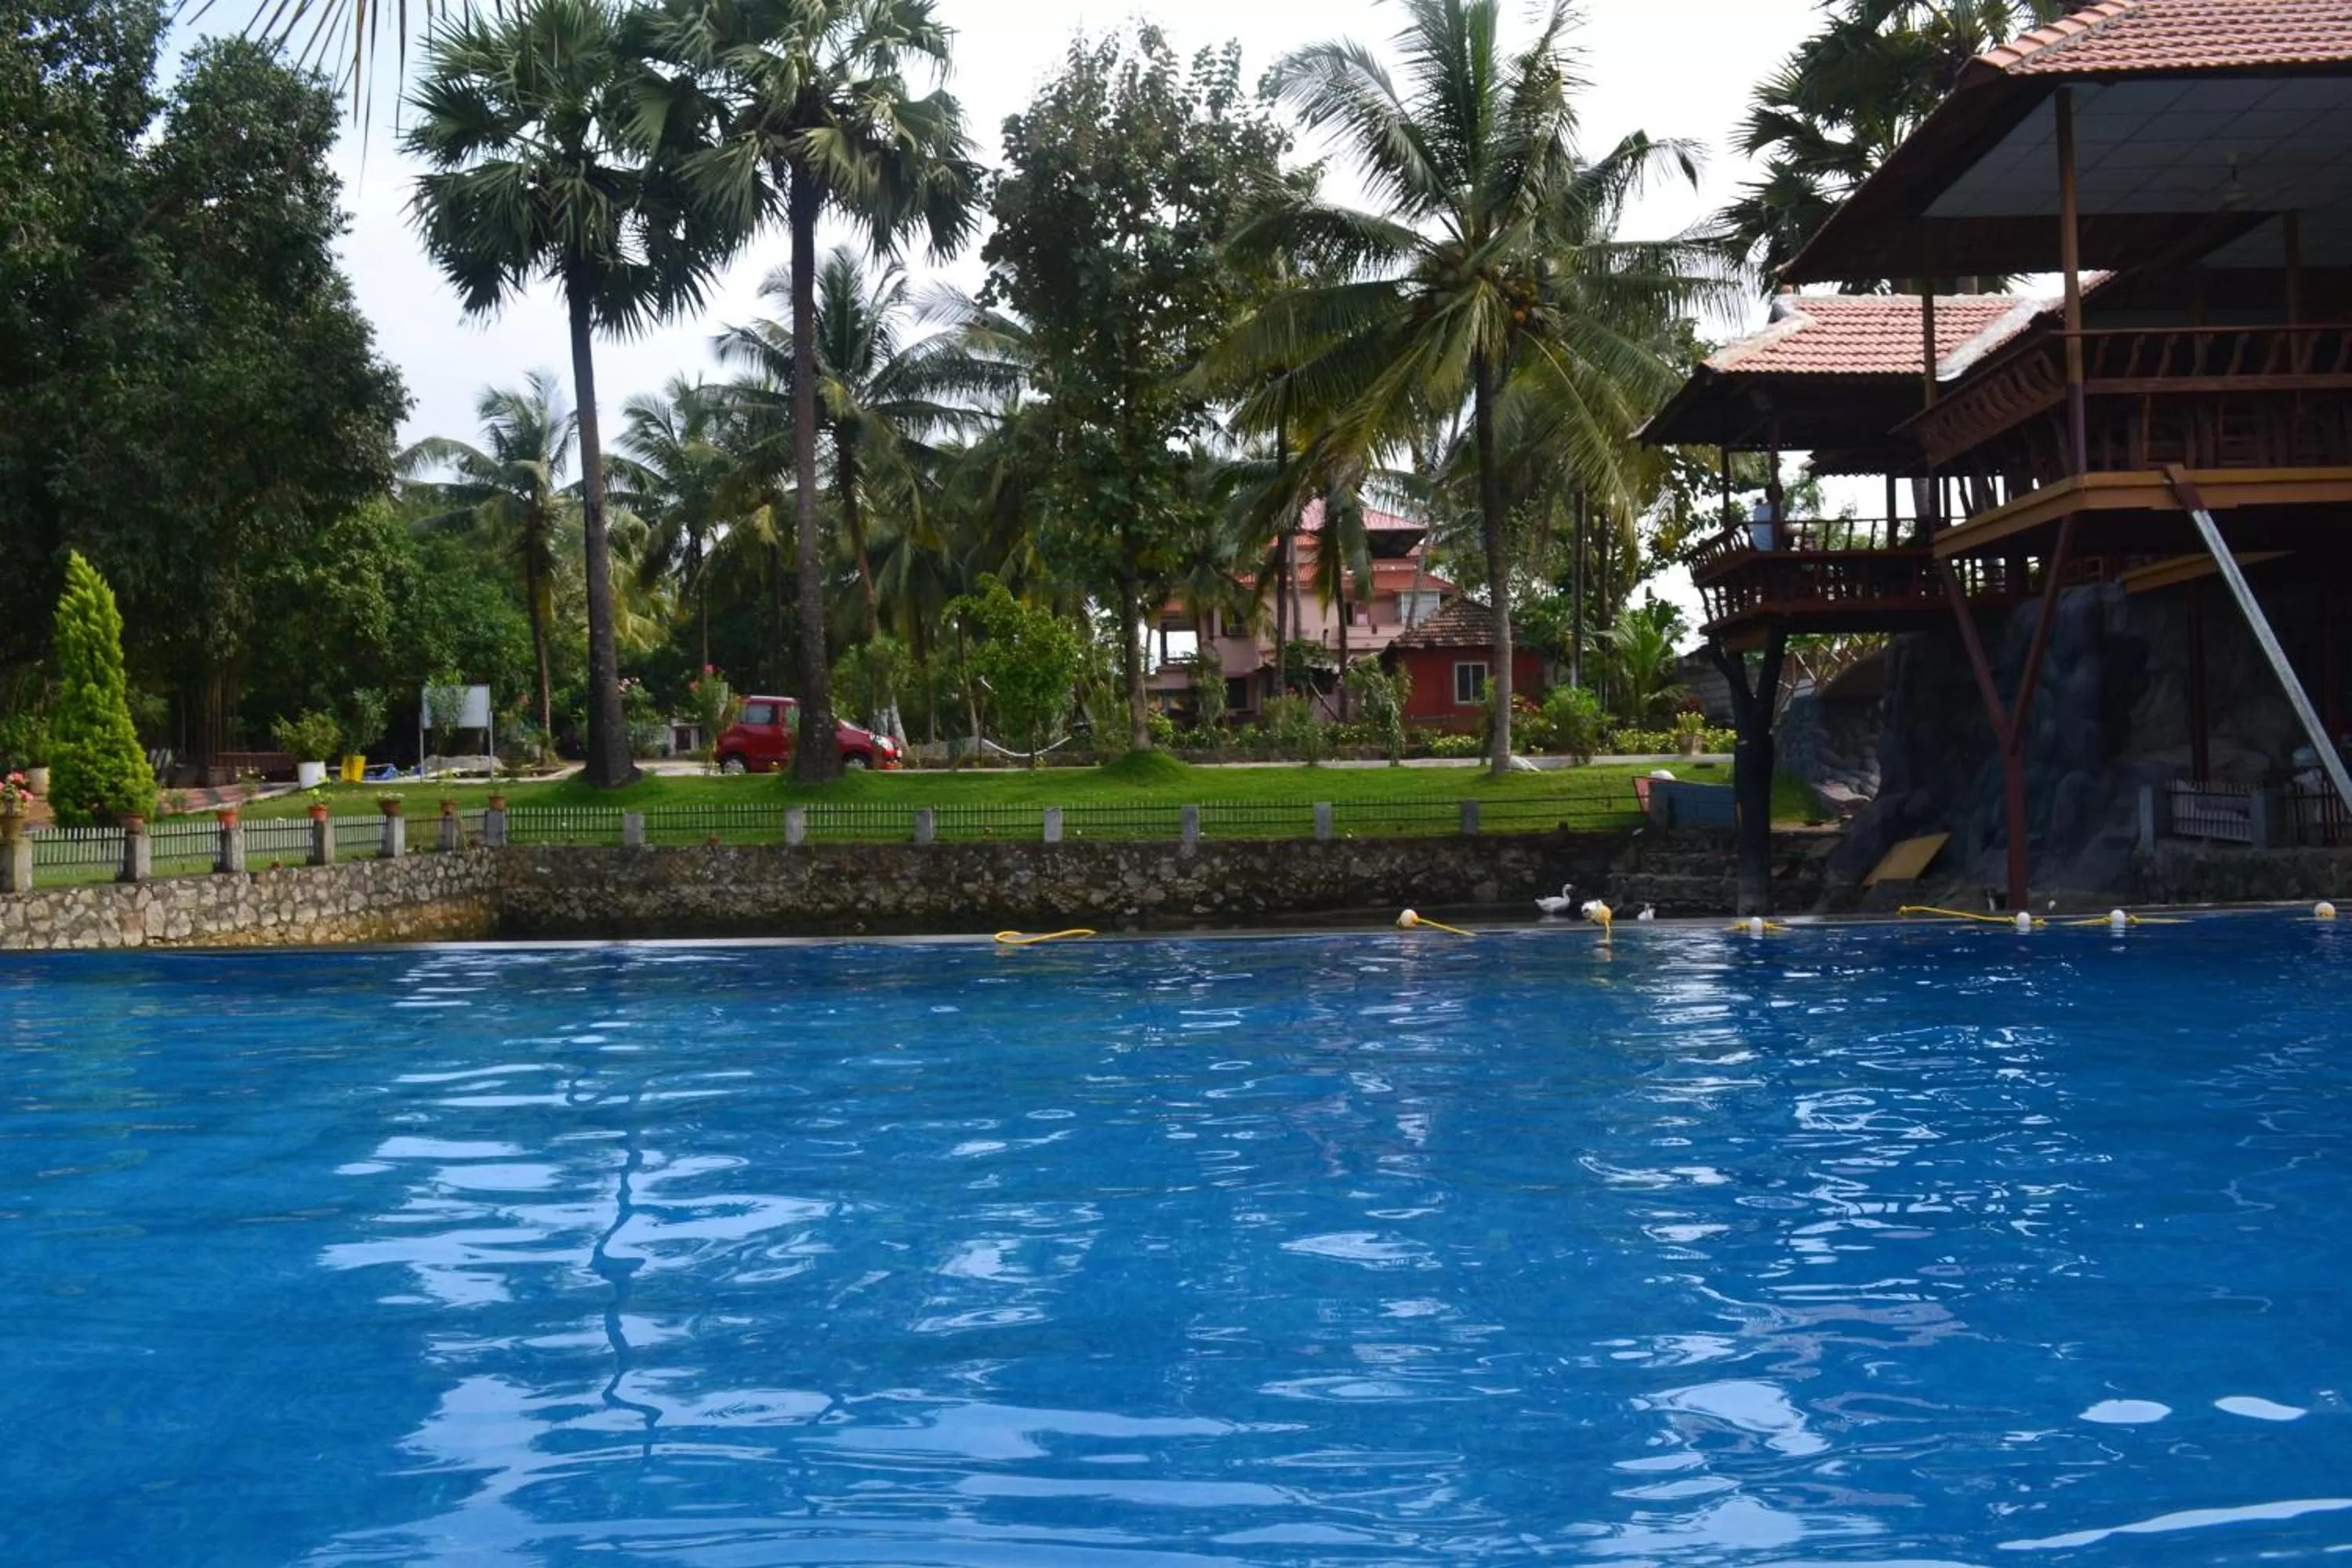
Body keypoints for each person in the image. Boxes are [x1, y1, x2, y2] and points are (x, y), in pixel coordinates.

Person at [1748, 477, 1784, 553]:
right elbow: (1782, 530)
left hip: (1756, 547)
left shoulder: (1757, 509)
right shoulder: (1778, 510)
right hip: (1770, 548)